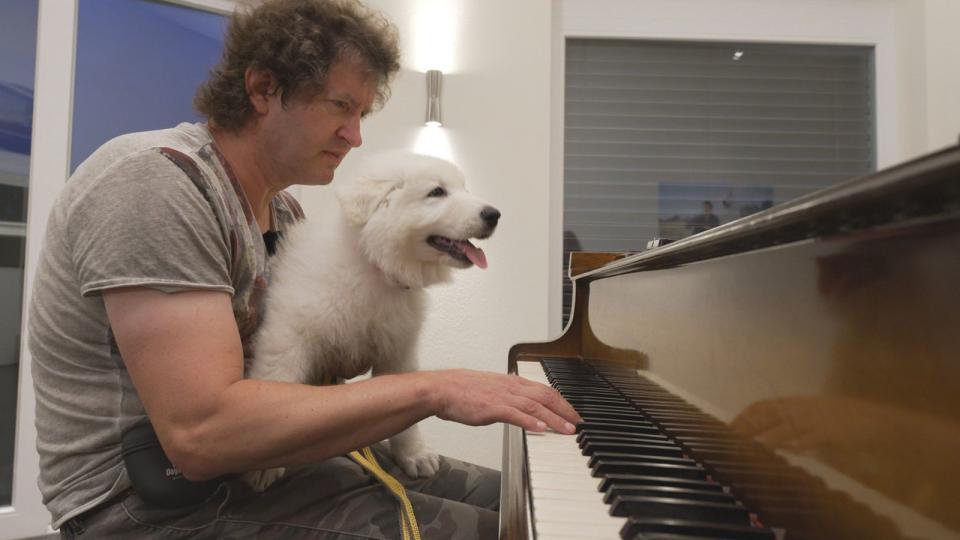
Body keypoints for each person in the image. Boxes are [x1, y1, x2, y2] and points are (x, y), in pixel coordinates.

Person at [28, 1, 580, 538]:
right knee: (494, 531)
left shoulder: (284, 210)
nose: (355, 135)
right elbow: (202, 436)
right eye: (340, 106)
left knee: (523, 501)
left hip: (274, 463)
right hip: (147, 503)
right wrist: (432, 389)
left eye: (361, 113)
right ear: (264, 88)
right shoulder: (158, 183)